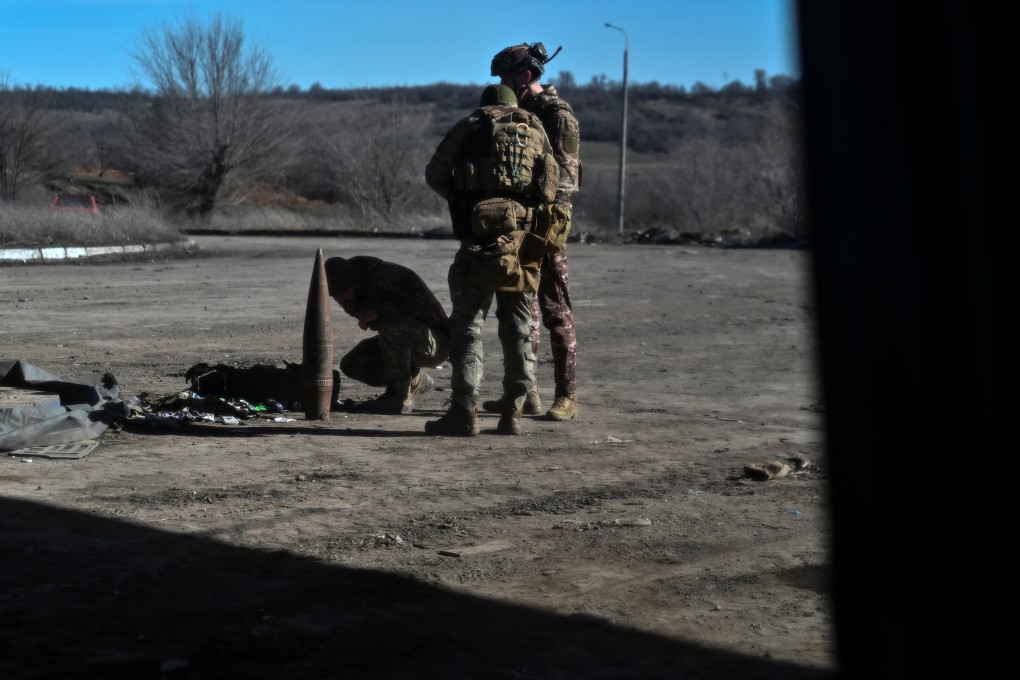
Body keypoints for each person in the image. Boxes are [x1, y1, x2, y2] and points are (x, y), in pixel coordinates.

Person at [423, 84, 559, 436]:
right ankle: (512, 412)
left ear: (486, 104)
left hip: (478, 241)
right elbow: (551, 184)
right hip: (523, 246)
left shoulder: (471, 125)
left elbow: (435, 173)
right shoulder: (536, 129)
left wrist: (464, 198)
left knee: (468, 326)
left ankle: (463, 412)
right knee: (518, 328)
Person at [485, 42, 582, 422]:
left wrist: (538, 218)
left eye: (507, 79)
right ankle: (527, 393)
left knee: (555, 309)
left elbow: (567, 181)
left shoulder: (558, 116)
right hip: (519, 224)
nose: (502, 86)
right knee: (523, 311)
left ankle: (567, 396)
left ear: (525, 77)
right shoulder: (515, 115)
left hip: (546, 224)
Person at [324, 255, 450, 414]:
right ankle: (414, 380)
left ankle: (399, 397)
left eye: (343, 292)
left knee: (391, 325)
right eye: (335, 296)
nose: (340, 299)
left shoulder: (387, 276)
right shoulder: (353, 295)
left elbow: (421, 304)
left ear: (355, 283)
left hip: (436, 343)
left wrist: (378, 312)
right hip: (407, 341)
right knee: (352, 364)